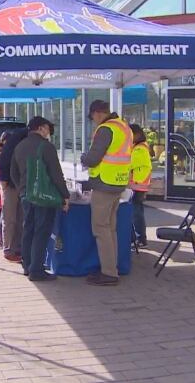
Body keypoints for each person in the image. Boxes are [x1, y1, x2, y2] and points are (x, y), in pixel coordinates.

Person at [10, 116, 70, 282]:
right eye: (48, 130)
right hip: (43, 196)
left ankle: (27, 265)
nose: (49, 133)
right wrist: (65, 195)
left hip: (25, 195)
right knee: (41, 231)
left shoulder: (19, 146)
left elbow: (13, 172)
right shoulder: (46, 146)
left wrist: (22, 189)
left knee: (28, 228)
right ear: (42, 128)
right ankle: (36, 269)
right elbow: (56, 174)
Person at [81, 100, 133, 287]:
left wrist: (83, 158)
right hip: (118, 183)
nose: (94, 121)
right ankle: (112, 268)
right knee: (110, 229)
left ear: (97, 113)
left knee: (101, 229)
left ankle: (109, 273)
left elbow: (94, 158)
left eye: (93, 117)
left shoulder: (105, 129)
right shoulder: (124, 127)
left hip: (104, 183)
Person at [0, 126, 28, 262]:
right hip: (10, 184)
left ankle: (17, 248)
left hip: (20, 185)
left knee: (19, 217)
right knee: (10, 218)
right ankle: (8, 249)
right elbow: (2, 161)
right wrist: (3, 180)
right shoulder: (18, 141)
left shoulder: (24, 140)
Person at [129, 124, 152, 248]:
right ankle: (139, 237)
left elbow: (130, 163)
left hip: (138, 185)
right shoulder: (138, 147)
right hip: (139, 184)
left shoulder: (139, 149)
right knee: (137, 212)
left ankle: (141, 238)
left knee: (136, 213)